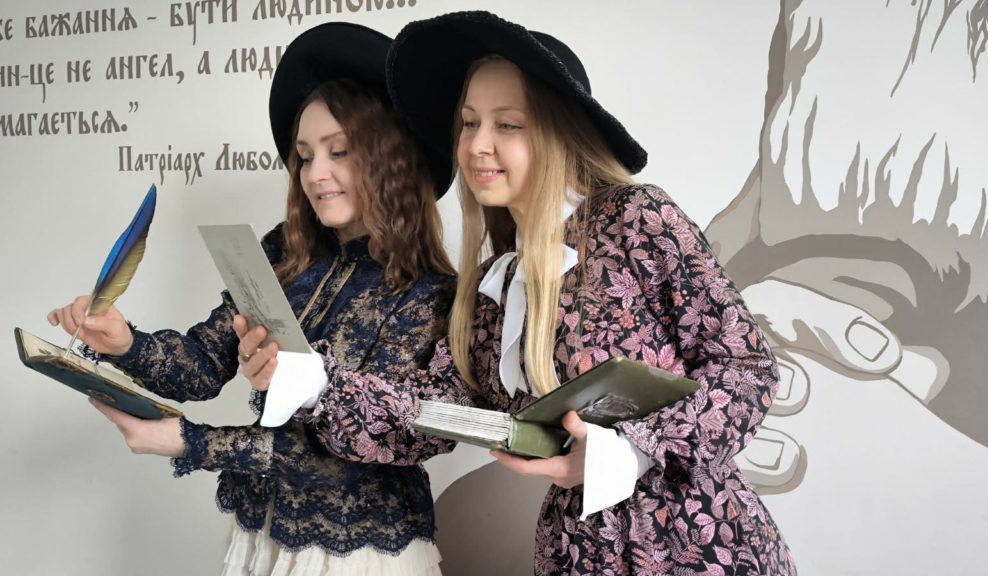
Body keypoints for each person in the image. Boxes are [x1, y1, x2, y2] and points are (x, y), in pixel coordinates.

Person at [236, 11, 796, 575]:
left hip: (699, 544)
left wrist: (631, 449)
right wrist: (315, 382)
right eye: (468, 123)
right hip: (576, 554)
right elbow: (424, 419)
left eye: (507, 125)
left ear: (557, 131)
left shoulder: (634, 218)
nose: (477, 145)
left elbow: (746, 367)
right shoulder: (488, 290)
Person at [47, 22, 456, 576]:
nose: (316, 174)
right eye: (305, 156)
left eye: (339, 152)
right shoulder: (284, 252)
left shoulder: (430, 293)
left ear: (393, 160)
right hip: (260, 537)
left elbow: (348, 457)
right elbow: (199, 367)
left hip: (361, 554)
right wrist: (123, 343)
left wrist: (188, 442)